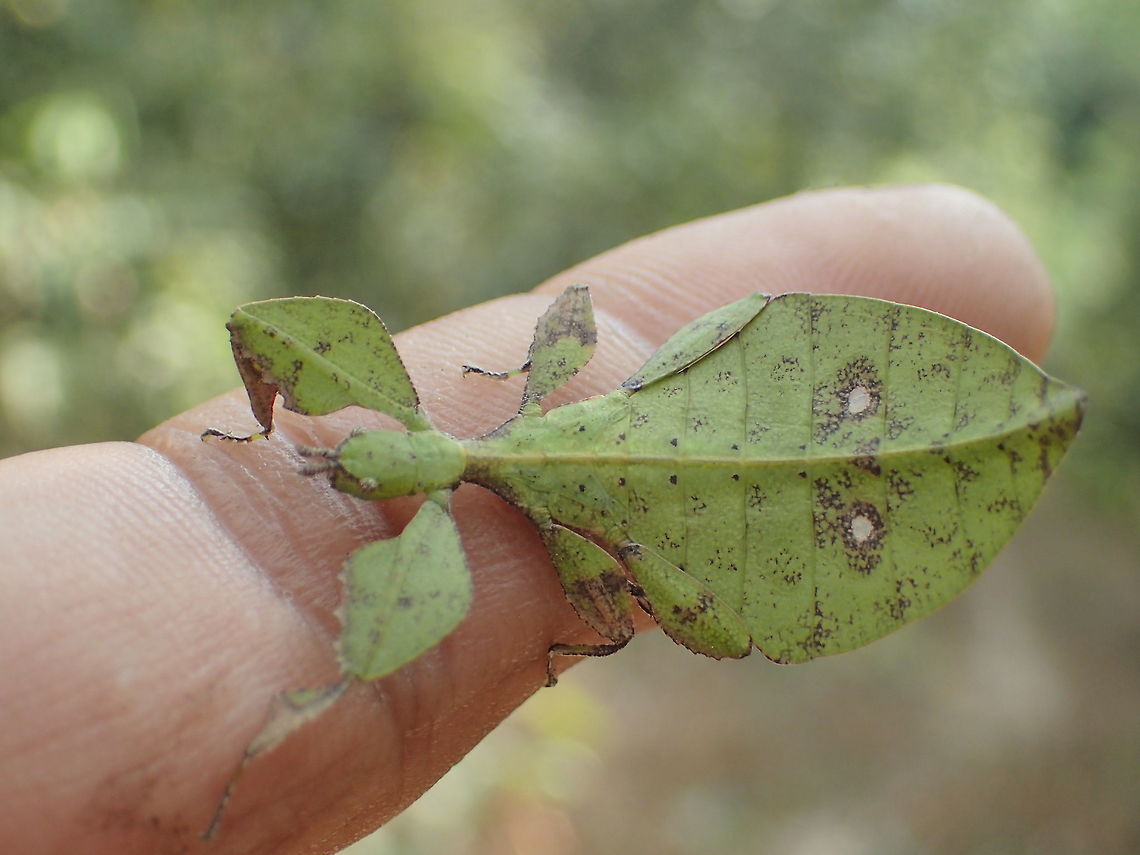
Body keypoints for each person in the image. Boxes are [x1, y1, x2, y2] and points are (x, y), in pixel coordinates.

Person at [0, 185, 1057, 853]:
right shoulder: (524, 418)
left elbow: (585, 596)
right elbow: (573, 322)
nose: (356, 474)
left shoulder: (456, 538)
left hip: (791, 456)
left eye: (356, 472)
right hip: (732, 490)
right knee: (647, 606)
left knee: (645, 602)